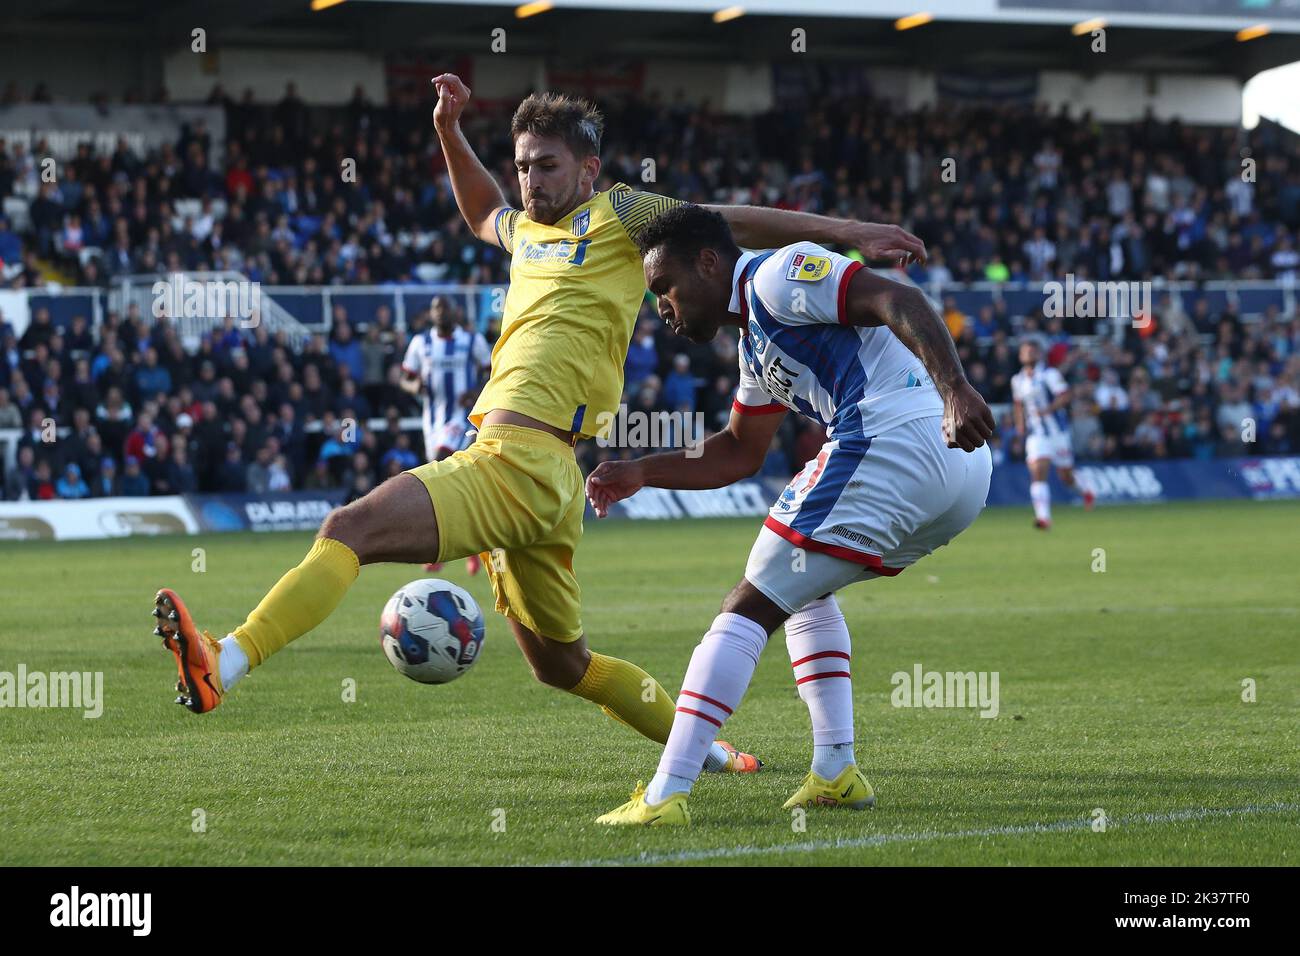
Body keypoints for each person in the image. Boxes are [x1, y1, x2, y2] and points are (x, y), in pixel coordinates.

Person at [151, 79, 924, 790]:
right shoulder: (525, 233)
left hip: (521, 460)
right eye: (523, 165)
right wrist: (450, 131)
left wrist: (850, 231)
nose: (530, 180)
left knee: (347, 527)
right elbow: (478, 208)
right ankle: (715, 753)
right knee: (564, 666)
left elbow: (722, 222)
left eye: (547, 166)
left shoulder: (618, 215)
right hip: (535, 474)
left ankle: (227, 659)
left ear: (589, 170)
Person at [584, 205, 993, 825]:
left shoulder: (779, 276)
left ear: (708, 262)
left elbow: (895, 298)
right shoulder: (755, 344)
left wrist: (955, 387)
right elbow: (738, 451)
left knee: (748, 603)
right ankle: (836, 773)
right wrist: (644, 470)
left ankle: (667, 793)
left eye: (665, 287)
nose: (661, 307)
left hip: (900, 434)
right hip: (959, 474)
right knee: (804, 587)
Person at [1011, 339, 1095, 529]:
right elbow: (1018, 404)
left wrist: (1049, 409)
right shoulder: (1017, 380)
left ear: (1039, 355)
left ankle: (1086, 488)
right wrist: (1020, 427)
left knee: (1066, 477)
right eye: (1026, 352)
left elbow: (1065, 395)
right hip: (1036, 434)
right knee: (1038, 471)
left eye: (1033, 352)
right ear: (1020, 356)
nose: (1029, 355)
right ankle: (1043, 518)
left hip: (1057, 432)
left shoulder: (1049, 374)